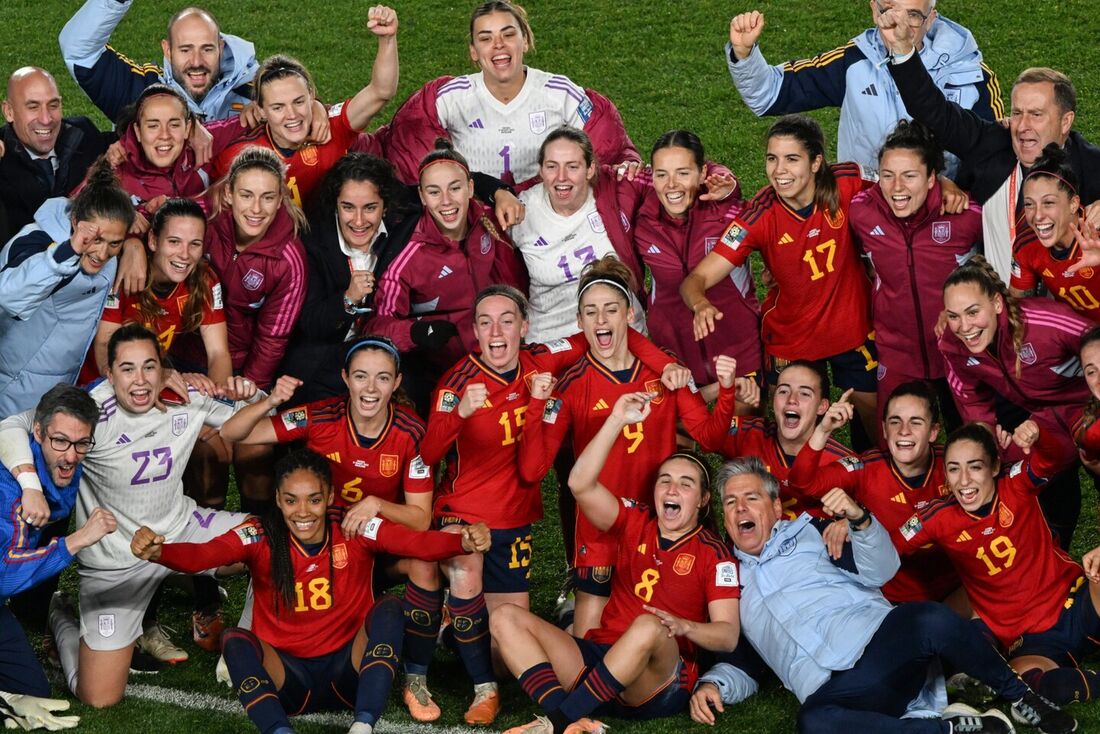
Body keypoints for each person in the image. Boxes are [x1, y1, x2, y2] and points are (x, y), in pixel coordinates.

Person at [418, 284, 677, 724]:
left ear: (524, 327)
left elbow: (612, 330)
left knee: (504, 648)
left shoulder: (542, 359)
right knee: (466, 568)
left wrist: (666, 364)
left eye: (506, 321)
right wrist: (459, 414)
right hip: (465, 514)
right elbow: (426, 456)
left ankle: (452, 630)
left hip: (515, 521)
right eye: (485, 323)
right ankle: (484, 691)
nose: (496, 332)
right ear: (475, 331)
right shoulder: (457, 382)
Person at [692, 455, 1076, 734]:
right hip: (833, 690)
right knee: (813, 722)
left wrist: (859, 521)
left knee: (926, 618)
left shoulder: (812, 533)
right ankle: (955, 730)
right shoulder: (727, 583)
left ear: (776, 507)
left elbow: (883, 570)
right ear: (725, 518)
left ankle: (1022, 697)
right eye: (731, 502)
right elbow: (742, 660)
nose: (741, 507)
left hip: (880, 650)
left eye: (752, 498)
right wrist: (714, 684)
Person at [130, 448, 491, 734]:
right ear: (277, 498)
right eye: (291, 500)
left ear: (331, 495)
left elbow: (416, 543)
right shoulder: (259, 533)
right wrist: (161, 552)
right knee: (236, 640)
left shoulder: (354, 526)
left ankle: (363, 725)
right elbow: (203, 555)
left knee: (390, 609)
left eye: (314, 500)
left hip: (349, 674)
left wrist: (463, 540)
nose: (303, 511)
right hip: (288, 681)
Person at [0, 324, 258, 708]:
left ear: (163, 369)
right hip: (115, 561)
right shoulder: (89, 409)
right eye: (127, 368)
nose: (139, 379)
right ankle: (62, 614)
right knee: (99, 697)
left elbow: (257, 416)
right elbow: (13, 424)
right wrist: (32, 487)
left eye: (150, 367)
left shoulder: (180, 393)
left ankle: (246, 647)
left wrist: (249, 394)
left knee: (268, 537)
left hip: (180, 531)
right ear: (109, 372)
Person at [219, 337, 448, 721]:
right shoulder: (319, 416)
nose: (370, 389)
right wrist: (272, 401)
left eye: (381, 378)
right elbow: (234, 433)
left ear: (396, 382)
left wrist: (376, 506)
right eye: (360, 376)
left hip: (376, 547)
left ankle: (416, 677)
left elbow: (420, 518)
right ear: (345, 378)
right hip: (321, 547)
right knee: (274, 550)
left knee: (424, 565)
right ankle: (273, 635)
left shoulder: (412, 433)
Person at [520, 256, 748, 636]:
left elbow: (709, 438)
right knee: (588, 646)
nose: (601, 321)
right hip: (598, 530)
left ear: (628, 314)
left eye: (611, 310)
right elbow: (533, 470)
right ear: (579, 322)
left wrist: (725, 392)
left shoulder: (665, 371)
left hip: (657, 527)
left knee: (649, 633)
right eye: (591, 313)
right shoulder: (572, 382)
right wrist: (536, 406)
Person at [495, 392, 740, 734]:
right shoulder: (636, 520)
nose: (672, 489)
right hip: (599, 664)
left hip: (656, 683)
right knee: (505, 617)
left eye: (686, 485)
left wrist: (685, 627)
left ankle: (556, 722)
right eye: (665, 480)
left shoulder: (714, 553)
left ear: (702, 500)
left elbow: (728, 636)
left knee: (649, 625)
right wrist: (616, 420)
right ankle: (569, 718)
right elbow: (579, 483)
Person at [680, 114, 881, 448]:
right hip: (793, 339)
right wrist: (700, 303)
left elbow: (902, 183)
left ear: (817, 162)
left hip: (853, 330)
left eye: (791, 159)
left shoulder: (848, 181)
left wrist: (944, 185)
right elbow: (696, 278)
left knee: (878, 432)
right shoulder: (760, 215)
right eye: (772, 159)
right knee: (793, 440)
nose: (779, 170)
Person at [278, 152, 522, 405]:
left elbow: (451, 179)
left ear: (385, 204)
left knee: (418, 390)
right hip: (334, 344)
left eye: (370, 208)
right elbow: (312, 323)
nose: (359, 220)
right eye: (348, 207)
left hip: (391, 339)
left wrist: (501, 193)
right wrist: (348, 299)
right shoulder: (313, 246)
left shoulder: (408, 209)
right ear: (336, 205)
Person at [876, 8, 1100, 282]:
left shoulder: (1091, 165)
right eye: (1017, 113)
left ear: (1066, 122)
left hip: (1067, 309)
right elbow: (934, 112)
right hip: (994, 303)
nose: (1022, 125)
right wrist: (901, 50)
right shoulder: (991, 143)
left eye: (1036, 114)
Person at [900, 422, 1100, 709]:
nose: (964, 480)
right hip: (1030, 641)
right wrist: (858, 525)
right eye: (954, 468)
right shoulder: (938, 518)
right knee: (1029, 685)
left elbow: (1053, 459)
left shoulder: (1016, 483)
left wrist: (1040, 437)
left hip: (1075, 600)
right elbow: (888, 545)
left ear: (994, 467)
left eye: (975, 466)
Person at [372, 0, 638, 184]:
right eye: (486, 38)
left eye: (508, 35)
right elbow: (406, 141)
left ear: (525, 39)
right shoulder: (451, 97)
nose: (498, 45)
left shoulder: (560, 93)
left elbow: (610, 148)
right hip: (478, 223)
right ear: (474, 52)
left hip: (546, 216)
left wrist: (628, 162)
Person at [725, 2, 1000, 175]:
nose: (899, 26)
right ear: (873, 9)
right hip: (866, 219)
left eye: (913, 16)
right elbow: (770, 94)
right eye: (890, 12)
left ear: (931, 19)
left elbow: (992, 156)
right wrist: (744, 53)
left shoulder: (971, 74)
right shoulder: (854, 61)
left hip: (942, 224)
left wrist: (953, 189)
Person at [941, 256, 1090, 546]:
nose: (964, 326)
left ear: (997, 304)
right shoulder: (951, 344)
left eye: (972, 312)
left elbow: (1094, 341)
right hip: (1041, 421)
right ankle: (1050, 547)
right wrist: (987, 437)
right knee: (1012, 465)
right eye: (953, 315)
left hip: (1087, 409)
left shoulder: (1044, 322)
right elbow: (971, 400)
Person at [368, 141, 527, 409]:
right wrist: (417, 332)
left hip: (507, 357)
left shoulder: (492, 223)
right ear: (421, 196)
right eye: (434, 192)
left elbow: (516, 281)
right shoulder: (407, 256)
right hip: (448, 379)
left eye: (455, 188)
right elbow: (376, 328)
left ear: (471, 188)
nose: (446, 201)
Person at [849, 120, 981, 429]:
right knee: (899, 443)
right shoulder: (861, 212)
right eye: (888, 176)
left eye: (909, 176)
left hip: (960, 351)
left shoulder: (967, 216)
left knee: (974, 443)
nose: (897, 188)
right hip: (897, 355)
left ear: (932, 178)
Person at [787, 381, 963, 609]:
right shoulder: (865, 468)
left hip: (958, 589)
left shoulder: (955, 464)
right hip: (892, 601)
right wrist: (823, 430)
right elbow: (802, 483)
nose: (904, 431)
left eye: (916, 422)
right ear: (883, 430)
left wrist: (857, 521)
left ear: (933, 432)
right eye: (895, 422)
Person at [210, 6, 399, 207]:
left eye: (298, 102)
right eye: (278, 107)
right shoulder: (238, 156)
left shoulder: (332, 126)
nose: (292, 115)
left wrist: (387, 39)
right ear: (261, 111)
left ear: (311, 96)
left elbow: (381, 91)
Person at [0, 385, 116, 699]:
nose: (70, 456)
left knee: (33, 693)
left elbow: (109, 383)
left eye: (81, 443)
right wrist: (76, 541)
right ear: (37, 432)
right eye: (60, 441)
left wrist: (173, 375)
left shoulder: (60, 454)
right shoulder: (10, 494)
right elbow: (3, 576)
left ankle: (46, 613)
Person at [0, 157, 134, 417]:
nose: (102, 253)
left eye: (115, 243)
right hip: (10, 389)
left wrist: (134, 246)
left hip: (56, 393)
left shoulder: (112, 256)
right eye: (97, 239)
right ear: (75, 221)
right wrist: (68, 252)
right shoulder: (36, 241)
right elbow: (8, 295)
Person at [633, 129, 761, 397]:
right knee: (680, 436)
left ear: (703, 174)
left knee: (742, 435)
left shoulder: (730, 215)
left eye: (683, 173)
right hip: (674, 353)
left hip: (739, 349)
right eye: (661, 175)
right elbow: (616, 173)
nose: (671, 185)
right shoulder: (642, 220)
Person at [510, 127, 649, 343]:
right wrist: (497, 192)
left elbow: (675, 175)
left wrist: (721, 181)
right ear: (540, 171)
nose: (561, 177)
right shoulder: (521, 209)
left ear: (590, 169)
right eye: (552, 167)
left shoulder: (616, 189)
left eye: (573, 167)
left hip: (620, 330)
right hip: (552, 337)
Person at [83, 198, 230, 388]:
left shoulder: (205, 279)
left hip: (148, 384)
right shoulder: (124, 270)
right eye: (174, 241)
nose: (185, 254)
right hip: (98, 384)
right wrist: (154, 376)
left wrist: (216, 396)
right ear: (153, 240)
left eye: (194, 244)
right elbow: (104, 344)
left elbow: (218, 353)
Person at [59, 1, 258, 122]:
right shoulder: (140, 93)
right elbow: (78, 51)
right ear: (168, 50)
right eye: (185, 49)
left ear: (221, 48)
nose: (196, 62)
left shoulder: (257, 94)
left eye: (207, 49)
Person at [718, 360, 852, 521]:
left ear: (822, 407)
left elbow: (874, 516)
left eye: (804, 393)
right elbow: (690, 424)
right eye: (783, 391)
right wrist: (719, 389)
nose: (791, 400)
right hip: (750, 542)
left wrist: (849, 525)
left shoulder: (841, 461)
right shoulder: (746, 434)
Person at [0, 67, 112, 243]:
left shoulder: (83, 134)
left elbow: (137, 140)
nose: (46, 119)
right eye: (33, 106)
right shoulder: (2, 158)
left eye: (53, 105)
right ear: (9, 111)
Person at [1010, 144, 1100, 320]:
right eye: (1029, 204)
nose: (1037, 216)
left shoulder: (1095, 231)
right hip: (1077, 335)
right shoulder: (1026, 243)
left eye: (1048, 203)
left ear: (1074, 204)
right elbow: (1017, 306)